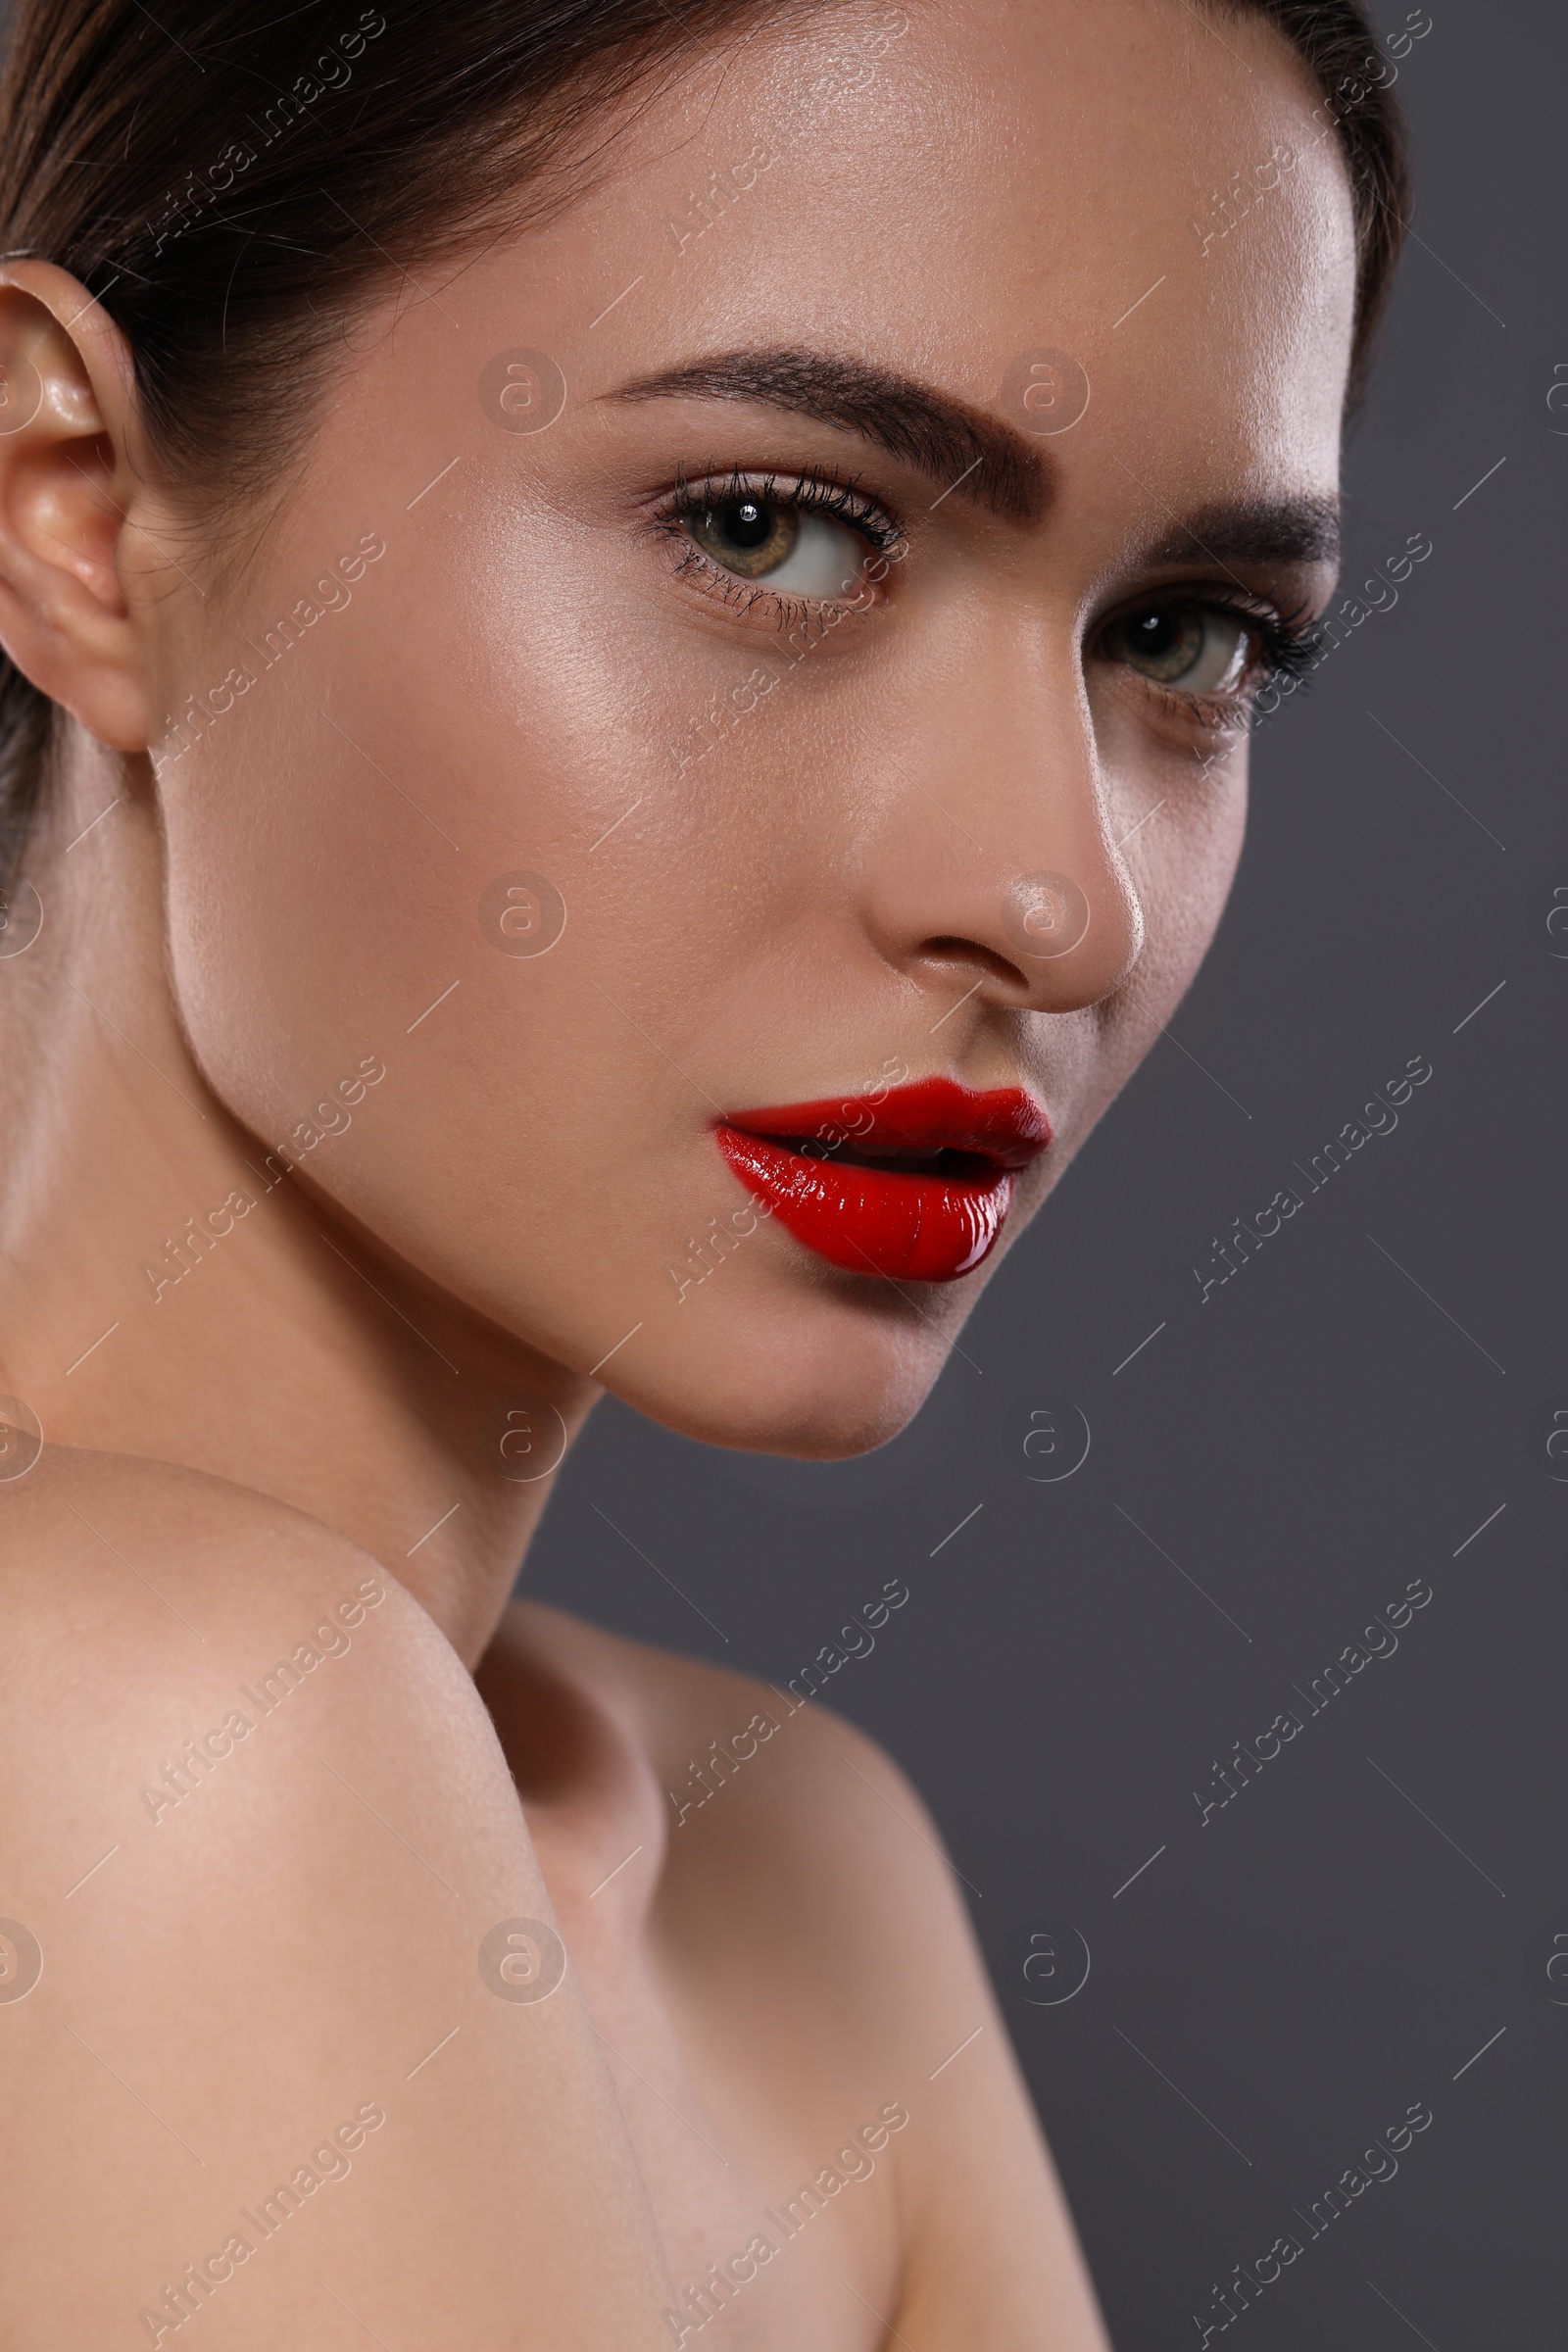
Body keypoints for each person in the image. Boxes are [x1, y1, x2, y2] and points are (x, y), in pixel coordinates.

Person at [0, 0, 1404, 2342]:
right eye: (770, 530)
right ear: (79, 517)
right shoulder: (136, 1731)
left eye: (1185, 638)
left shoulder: (790, 1876)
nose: (1059, 900)